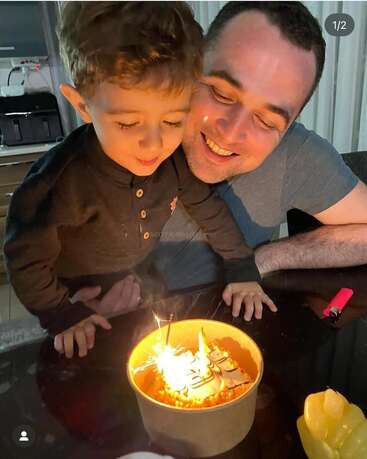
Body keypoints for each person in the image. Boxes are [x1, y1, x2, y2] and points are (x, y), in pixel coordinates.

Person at [4, 2, 276, 359]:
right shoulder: (59, 184)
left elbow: (209, 208)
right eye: (128, 123)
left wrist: (241, 266)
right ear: (82, 105)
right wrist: (59, 311)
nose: (154, 144)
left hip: (143, 276)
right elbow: (25, 259)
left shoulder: (173, 161)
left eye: (173, 120)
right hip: (75, 294)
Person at [159, 1, 367, 287]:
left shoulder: (295, 155)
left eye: (267, 121)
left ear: (288, 127)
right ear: (193, 64)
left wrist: (266, 258)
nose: (231, 133)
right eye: (221, 93)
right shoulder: (125, 128)